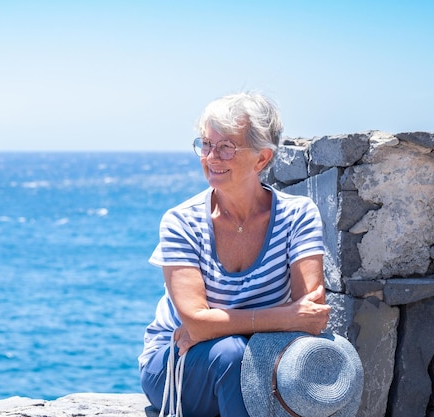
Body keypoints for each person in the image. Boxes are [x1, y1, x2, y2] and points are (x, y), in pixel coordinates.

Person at [138, 92, 332, 417]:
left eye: (226, 146)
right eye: (205, 144)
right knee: (231, 354)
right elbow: (196, 325)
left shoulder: (298, 215)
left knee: (241, 354)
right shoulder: (181, 222)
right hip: (177, 363)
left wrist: (216, 325)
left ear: (262, 159)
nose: (211, 157)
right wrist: (283, 317)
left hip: (256, 361)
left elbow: (310, 318)